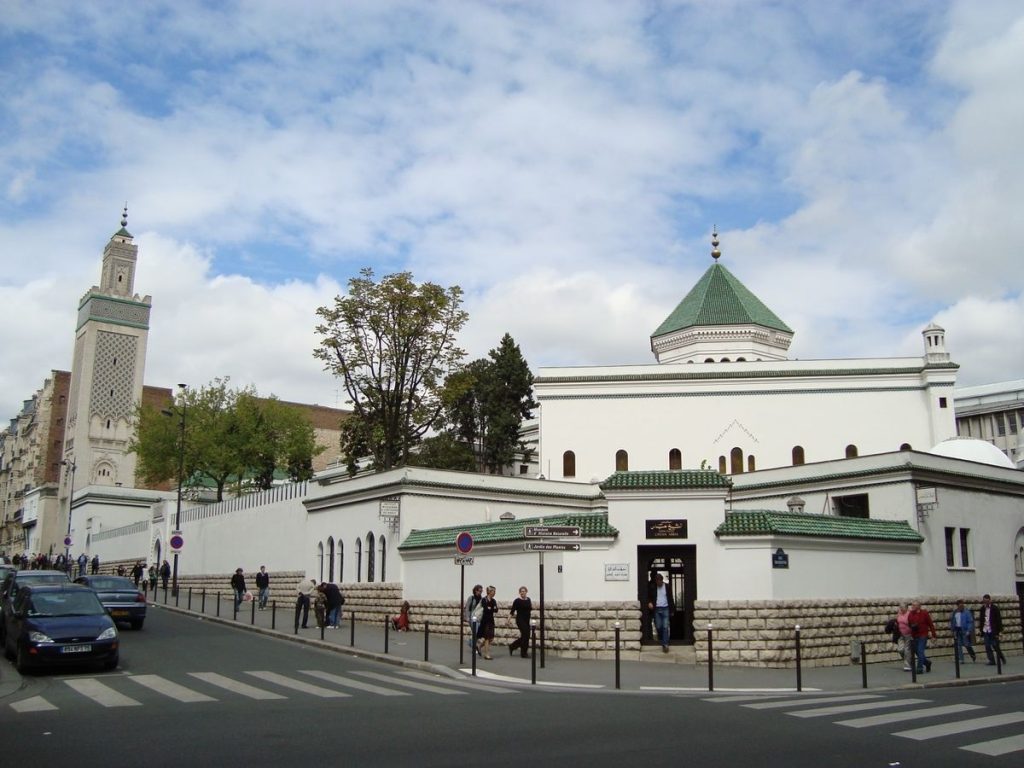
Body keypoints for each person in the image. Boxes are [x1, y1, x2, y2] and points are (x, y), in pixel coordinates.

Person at [647, 572, 674, 653]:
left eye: (659, 581)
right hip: (657, 609)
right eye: (657, 581)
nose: (658, 583)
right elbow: (648, 596)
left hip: (666, 608)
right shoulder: (653, 587)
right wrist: (649, 602)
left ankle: (665, 644)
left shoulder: (667, 586)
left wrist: (672, 610)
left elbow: (670, 598)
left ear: (662, 580)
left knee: (665, 626)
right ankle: (662, 639)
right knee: (658, 626)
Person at [978, 594, 1007, 666]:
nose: (986, 603)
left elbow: (998, 620)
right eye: (984, 601)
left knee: (995, 645)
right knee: (987, 646)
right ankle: (992, 660)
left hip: (993, 630)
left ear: (990, 600)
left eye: (987, 601)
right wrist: (980, 629)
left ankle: (1001, 657)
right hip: (985, 630)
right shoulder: (982, 609)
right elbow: (981, 619)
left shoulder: (995, 608)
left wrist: (1000, 630)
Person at [908, 600, 937, 673]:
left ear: (918, 606)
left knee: (920, 651)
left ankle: (919, 668)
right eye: (912, 605)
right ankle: (927, 663)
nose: (912, 607)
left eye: (914, 605)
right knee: (918, 653)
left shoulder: (924, 613)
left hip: (923, 635)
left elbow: (930, 624)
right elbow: (909, 624)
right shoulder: (910, 614)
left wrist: (933, 635)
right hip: (914, 636)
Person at [508, 586, 532, 658]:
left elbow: (530, 608)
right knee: (525, 633)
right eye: (521, 591)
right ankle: (523, 653)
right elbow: (512, 611)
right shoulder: (517, 601)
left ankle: (512, 646)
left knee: (526, 636)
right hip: (520, 620)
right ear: (519, 592)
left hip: (526, 620)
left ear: (526, 592)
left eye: (524, 591)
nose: (522, 592)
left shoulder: (528, 600)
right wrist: (508, 619)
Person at [949, 599, 976, 663]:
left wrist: (969, 630)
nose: (961, 607)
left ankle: (972, 655)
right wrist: (952, 629)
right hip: (957, 630)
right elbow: (952, 621)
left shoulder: (967, 612)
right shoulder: (955, 612)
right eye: (960, 606)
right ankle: (961, 659)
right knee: (959, 645)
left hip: (964, 630)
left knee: (967, 644)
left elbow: (970, 622)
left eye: (962, 605)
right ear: (957, 606)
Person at [464, 584, 485, 656]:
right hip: (471, 618)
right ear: (475, 590)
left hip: (478, 618)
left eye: (481, 591)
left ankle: (471, 643)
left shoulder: (481, 599)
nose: (480, 592)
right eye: (479, 591)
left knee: (476, 633)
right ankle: (473, 646)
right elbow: (467, 608)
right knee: (475, 632)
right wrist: (467, 617)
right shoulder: (471, 598)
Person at [478, 586, 498, 660]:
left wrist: (491, 608)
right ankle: (487, 655)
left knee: (491, 638)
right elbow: (486, 609)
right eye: (493, 591)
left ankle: (479, 646)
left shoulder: (493, 600)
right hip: (485, 620)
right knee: (487, 637)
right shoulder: (484, 599)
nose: (495, 593)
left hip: (491, 620)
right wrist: (491, 608)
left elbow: (496, 610)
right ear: (489, 592)